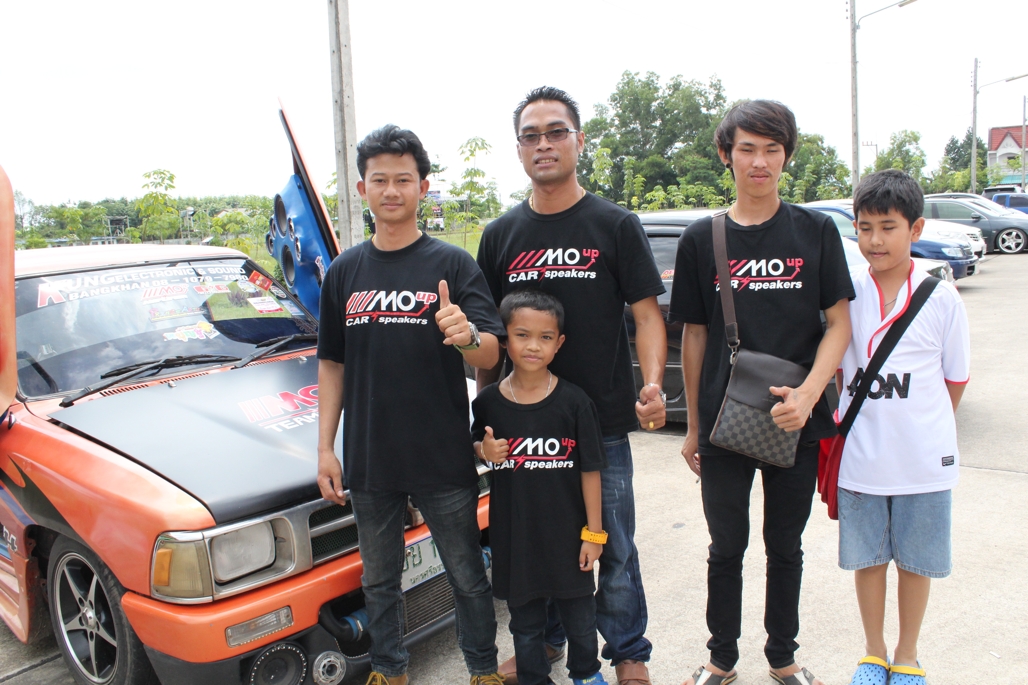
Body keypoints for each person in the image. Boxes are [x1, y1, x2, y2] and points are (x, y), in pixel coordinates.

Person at [476, 86, 668, 685]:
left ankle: (628, 650)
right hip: (523, 429)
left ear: (579, 141)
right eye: (531, 135)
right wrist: (486, 417)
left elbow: (646, 316)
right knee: (538, 539)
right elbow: (489, 336)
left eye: (556, 132)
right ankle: (547, 642)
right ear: (518, 149)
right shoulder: (500, 234)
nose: (544, 144)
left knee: (613, 542)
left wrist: (652, 385)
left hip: (599, 422)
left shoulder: (615, 224)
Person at [668, 100, 854, 685]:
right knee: (726, 546)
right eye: (747, 148)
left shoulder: (815, 230)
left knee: (785, 546)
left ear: (786, 156)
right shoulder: (702, 238)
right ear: (726, 154)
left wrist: (809, 394)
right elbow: (694, 336)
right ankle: (721, 658)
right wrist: (694, 426)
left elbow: (839, 324)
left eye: (772, 149)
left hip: (796, 420)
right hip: (725, 421)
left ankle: (782, 657)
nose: (760, 161)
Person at [316, 124, 506, 685]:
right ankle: (389, 670)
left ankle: (483, 670)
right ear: (362, 189)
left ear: (423, 187)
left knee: (466, 575)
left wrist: (466, 334)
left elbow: (492, 351)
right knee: (378, 581)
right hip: (370, 457)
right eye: (380, 180)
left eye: (404, 179)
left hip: (441, 454)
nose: (392, 190)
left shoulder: (453, 264)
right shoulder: (344, 271)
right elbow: (332, 365)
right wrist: (325, 448)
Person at [836, 169, 969, 685]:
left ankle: (907, 655)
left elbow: (955, 379)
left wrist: (921, 426)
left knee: (916, 562)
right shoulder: (847, 293)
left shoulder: (941, 297)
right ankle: (873, 653)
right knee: (868, 560)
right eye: (865, 227)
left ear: (915, 229)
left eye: (888, 227)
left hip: (923, 461)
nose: (875, 240)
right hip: (861, 457)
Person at [472, 288, 609, 685]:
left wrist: (594, 534)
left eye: (545, 337)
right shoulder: (488, 403)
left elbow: (591, 471)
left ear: (559, 343)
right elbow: (476, 445)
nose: (533, 346)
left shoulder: (575, 403)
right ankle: (533, 677)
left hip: (569, 538)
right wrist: (484, 449)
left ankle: (587, 674)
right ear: (505, 339)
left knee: (581, 619)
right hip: (516, 538)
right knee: (525, 624)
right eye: (522, 335)